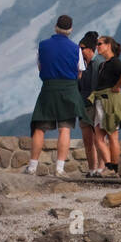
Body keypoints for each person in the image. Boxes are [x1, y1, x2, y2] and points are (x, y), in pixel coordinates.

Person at [26, 14, 87, 177]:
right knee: (65, 129)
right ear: (71, 30)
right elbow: (80, 72)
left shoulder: (43, 45)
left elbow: (40, 67)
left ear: (55, 27)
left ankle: (32, 167)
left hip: (49, 89)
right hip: (68, 89)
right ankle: (59, 168)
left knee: (39, 128)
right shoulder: (76, 49)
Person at [88, 36, 121, 174]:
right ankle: (109, 165)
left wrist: (117, 86)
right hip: (100, 101)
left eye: (99, 43)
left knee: (112, 135)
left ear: (108, 45)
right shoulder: (103, 65)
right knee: (98, 137)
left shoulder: (114, 62)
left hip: (110, 102)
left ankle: (114, 167)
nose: (97, 46)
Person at [77, 31, 108, 177]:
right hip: (83, 107)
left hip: (97, 106)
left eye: (83, 48)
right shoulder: (80, 67)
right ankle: (91, 169)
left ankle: (101, 168)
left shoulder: (99, 64)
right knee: (87, 140)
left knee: (99, 139)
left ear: (91, 49)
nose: (81, 51)